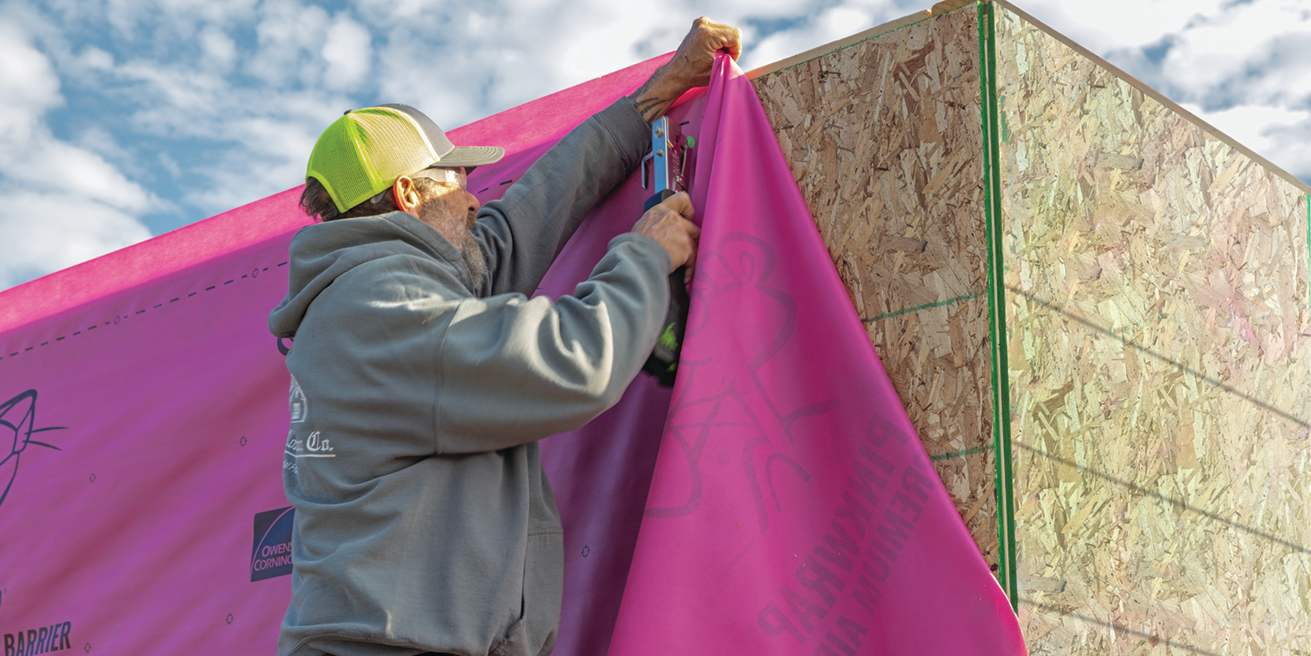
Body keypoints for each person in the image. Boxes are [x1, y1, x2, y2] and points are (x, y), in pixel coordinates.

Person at [267, 17, 742, 656]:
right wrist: (645, 255)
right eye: (457, 183)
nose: (475, 203)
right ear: (409, 194)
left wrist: (654, 98)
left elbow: (525, 219)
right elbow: (572, 362)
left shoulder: (376, 292)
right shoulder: (382, 308)